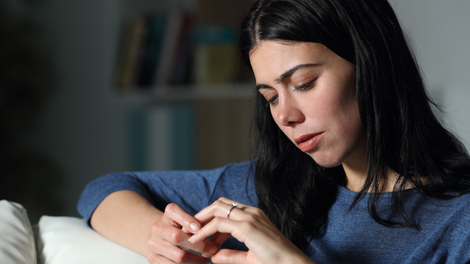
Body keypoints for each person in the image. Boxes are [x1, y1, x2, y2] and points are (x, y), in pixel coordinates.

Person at [77, 0, 470, 263]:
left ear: (370, 63)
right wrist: (161, 237)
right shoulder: (269, 187)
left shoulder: (459, 220)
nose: (285, 115)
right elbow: (105, 189)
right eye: (270, 96)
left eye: (303, 84)